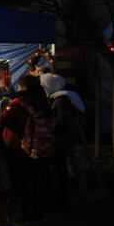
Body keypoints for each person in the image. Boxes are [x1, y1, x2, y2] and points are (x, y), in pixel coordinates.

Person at [0, 75, 52, 222]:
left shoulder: (18, 103)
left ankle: (27, 214)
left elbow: (3, 121)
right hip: (37, 147)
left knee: (22, 181)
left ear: (23, 87)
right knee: (36, 179)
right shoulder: (40, 100)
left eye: (20, 86)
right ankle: (38, 210)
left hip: (20, 147)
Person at [40, 72, 86, 208]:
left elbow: (62, 121)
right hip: (63, 137)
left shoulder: (62, 100)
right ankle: (59, 195)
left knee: (57, 168)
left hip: (61, 139)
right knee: (58, 168)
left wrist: (48, 129)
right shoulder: (64, 96)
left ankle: (60, 198)